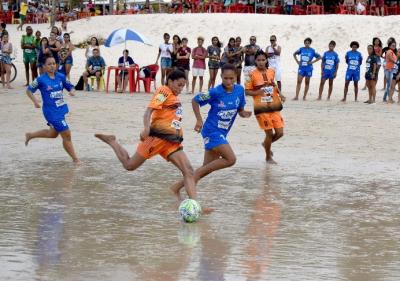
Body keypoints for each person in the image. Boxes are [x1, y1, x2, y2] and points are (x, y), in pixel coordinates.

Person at [95, 70, 200, 204]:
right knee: (129, 165)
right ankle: (112, 141)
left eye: (183, 86)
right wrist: (146, 128)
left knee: (189, 171)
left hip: (172, 142)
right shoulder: (163, 91)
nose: (180, 89)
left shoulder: (175, 96)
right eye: (179, 85)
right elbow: (148, 111)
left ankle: (195, 206)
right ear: (170, 81)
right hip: (156, 138)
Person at [169, 63, 252, 199]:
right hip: (211, 131)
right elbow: (195, 101)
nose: (229, 81)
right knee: (231, 159)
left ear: (236, 77)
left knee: (204, 169)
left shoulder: (239, 90)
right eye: (225, 78)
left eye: (231, 78)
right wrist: (199, 120)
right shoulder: (215, 92)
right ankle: (191, 198)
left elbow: (240, 110)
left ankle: (177, 188)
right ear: (221, 77)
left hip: (222, 133)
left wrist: (244, 114)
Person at [25, 55, 79, 164]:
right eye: (49, 64)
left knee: (53, 134)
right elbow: (29, 90)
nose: (52, 66)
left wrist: (72, 91)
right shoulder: (41, 79)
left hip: (61, 110)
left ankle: (30, 135)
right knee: (66, 134)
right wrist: (35, 101)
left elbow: (71, 86)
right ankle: (76, 160)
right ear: (44, 66)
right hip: (50, 112)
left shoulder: (61, 76)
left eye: (54, 63)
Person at [245, 51, 286, 164]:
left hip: (274, 105)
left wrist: (280, 94)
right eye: (259, 60)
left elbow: (274, 85)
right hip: (261, 108)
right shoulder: (251, 74)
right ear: (255, 61)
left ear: (266, 60)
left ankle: (266, 144)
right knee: (269, 134)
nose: (261, 62)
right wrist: (258, 91)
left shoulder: (271, 71)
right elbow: (247, 91)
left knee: (280, 133)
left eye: (263, 60)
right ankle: (268, 157)